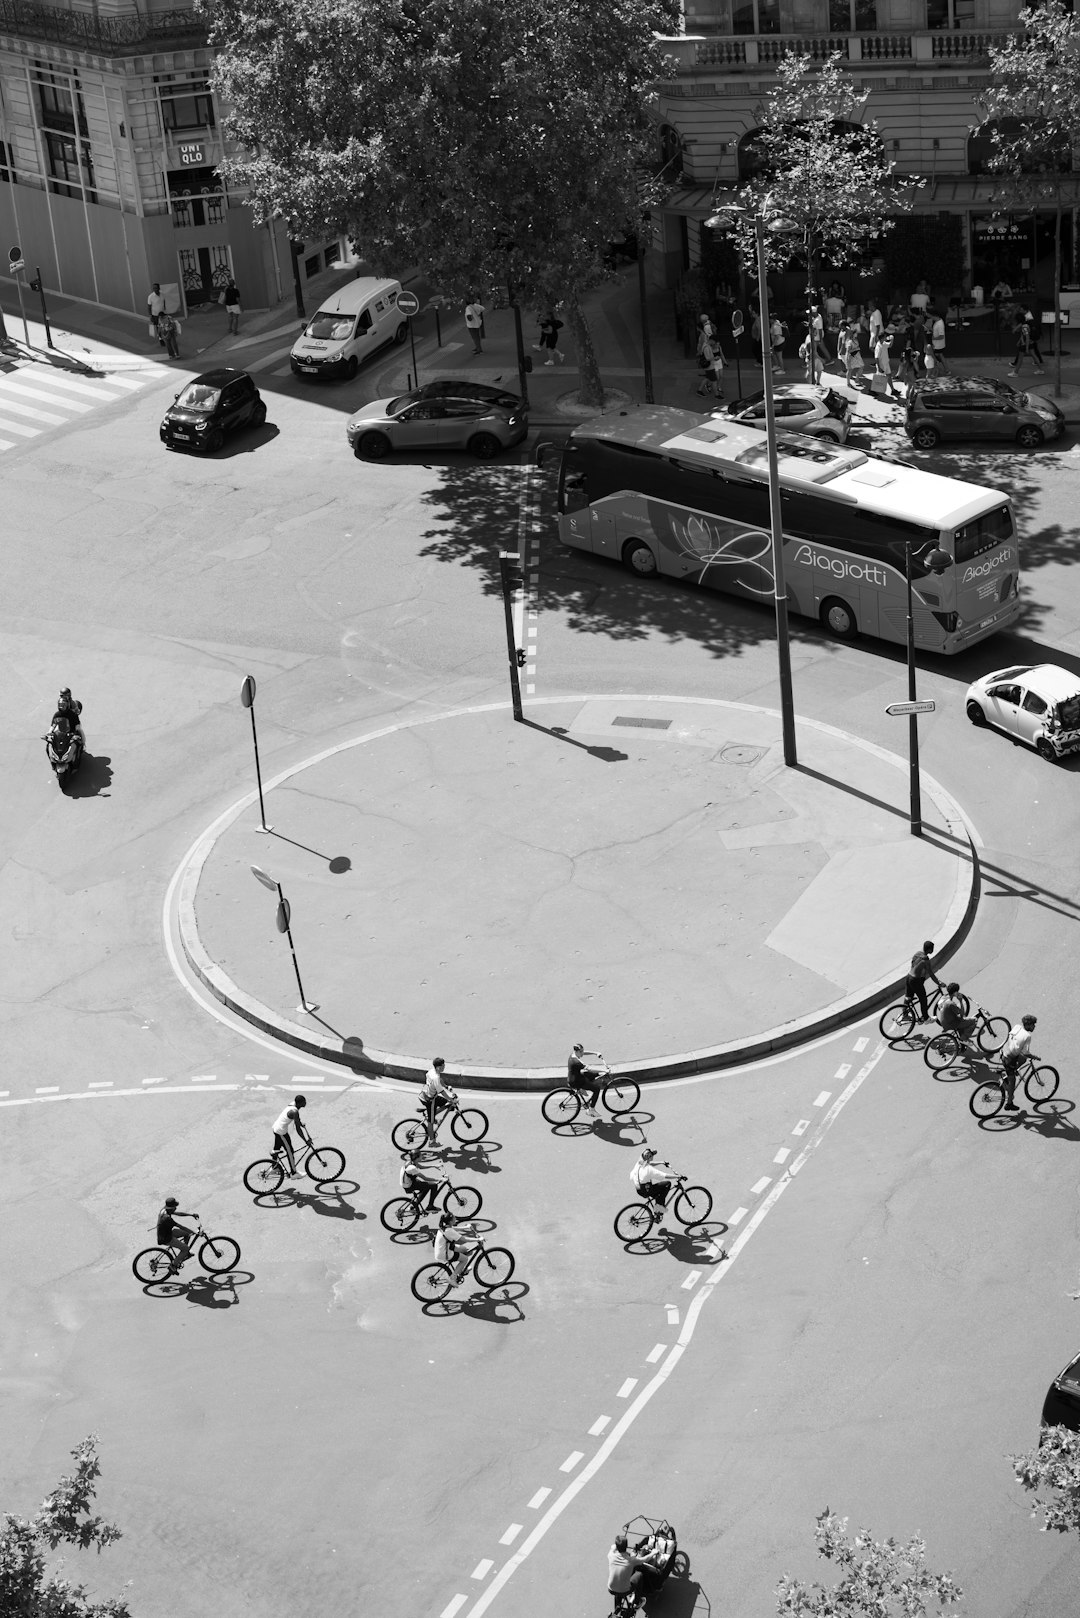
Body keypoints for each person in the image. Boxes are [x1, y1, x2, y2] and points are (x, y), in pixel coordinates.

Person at [998, 1014, 1036, 1111]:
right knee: (1012, 1082)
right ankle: (1009, 1103)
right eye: (1033, 1025)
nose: (1034, 1027)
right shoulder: (1028, 1036)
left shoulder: (1017, 1027)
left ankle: (1012, 1071)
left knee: (1022, 1058)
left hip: (1003, 1052)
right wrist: (1035, 1057)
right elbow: (1026, 1053)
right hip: (1008, 1059)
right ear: (1028, 1025)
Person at [433, 1210, 479, 1282]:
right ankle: (452, 1278)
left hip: (444, 1249)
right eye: (454, 1217)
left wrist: (465, 1227)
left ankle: (460, 1269)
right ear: (451, 1221)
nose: (455, 1217)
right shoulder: (449, 1231)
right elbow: (464, 1239)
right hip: (445, 1253)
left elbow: (454, 1229)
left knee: (466, 1250)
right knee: (465, 1259)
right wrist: (478, 1239)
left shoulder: (445, 1227)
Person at [272, 1096, 311, 1176]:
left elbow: (296, 1119)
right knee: (290, 1151)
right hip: (281, 1132)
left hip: (276, 1128)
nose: (305, 1103)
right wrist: (306, 1140)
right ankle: (294, 1173)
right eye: (304, 1102)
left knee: (277, 1148)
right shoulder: (294, 1111)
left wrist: (300, 1123)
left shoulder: (292, 1105)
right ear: (299, 1103)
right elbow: (298, 1129)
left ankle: (274, 1167)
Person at [906, 940, 942, 1024]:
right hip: (915, 980)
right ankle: (926, 1018)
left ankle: (904, 1015)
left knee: (908, 996)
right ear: (929, 950)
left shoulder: (917, 953)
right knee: (923, 999)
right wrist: (939, 983)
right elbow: (931, 974)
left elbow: (913, 965)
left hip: (908, 977)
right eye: (932, 948)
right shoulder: (926, 959)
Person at [607, 1533, 649, 1604]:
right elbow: (644, 1559)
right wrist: (653, 1553)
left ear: (617, 1547)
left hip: (611, 1588)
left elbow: (612, 1547)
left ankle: (617, 1608)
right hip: (625, 1590)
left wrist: (615, 1547)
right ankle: (637, 1601)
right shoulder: (631, 1560)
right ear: (626, 1546)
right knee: (639, 1575)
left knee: (618, 1585)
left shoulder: (611, 1555)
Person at [631, 1147, 676, 1211]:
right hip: (645, 1190)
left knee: (658, 1194)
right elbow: (664, 1175)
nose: (653, 1156)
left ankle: (657, 1212)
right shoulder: (649, 1170)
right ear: (649, 1157)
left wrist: (662, 1162)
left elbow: (649, 1163)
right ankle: (659, 1208)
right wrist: (678, 1176)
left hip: (639, 1189)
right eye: (652, 1155)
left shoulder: (640, 1162)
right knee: (667, 1184)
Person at [156, 1197, 197, 1267]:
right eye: (175, 1207)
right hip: (166, 1238)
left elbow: (179, 1214)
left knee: (186, 1234)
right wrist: (194, 1232)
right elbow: (181, 1227)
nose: (176, 1208)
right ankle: (173, 1266)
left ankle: (185, 1254)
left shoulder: (164, 1210)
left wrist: (191, 1215)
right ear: (171, 1207)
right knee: (186, 1249)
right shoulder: (167, 1218)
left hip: (166, 1233)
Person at [568, 1043, 605, 1117]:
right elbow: (589, 1068)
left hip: (573, 1077)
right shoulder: (577, 1062)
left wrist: (595, 1053)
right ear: (577, 1051)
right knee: (596, 1089)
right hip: (576, 1081)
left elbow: (584, 1052)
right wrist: (604, 1070)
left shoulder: (573, 1054)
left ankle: (588, 1101)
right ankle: (591, 1110)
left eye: (582, 1051)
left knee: (591, 1075)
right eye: (581, 1052)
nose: (582, 1053)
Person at [421, 1057, 456, 1135]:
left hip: (426, 1094)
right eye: (443, 1066)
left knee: (447, 1104)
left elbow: (440, 1080)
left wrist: (446, 1086)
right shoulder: (435, 1078)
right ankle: (432, 1141)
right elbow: (442, 1092)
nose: (444, 1067)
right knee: (431, 1121)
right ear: (438, 1067)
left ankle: (431, 1115)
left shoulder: (432, 1071)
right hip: (430, 1100)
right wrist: (451, 1099)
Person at [400, 1149, 442, 1214]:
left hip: (407, 1182)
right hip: (409, 1185)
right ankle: (430, 1207)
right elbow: (425, 1178)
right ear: (417, 1157)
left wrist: (433, 1166)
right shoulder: (412, 1168)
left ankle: (414, 1206)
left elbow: (421, 1167)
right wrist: (439, 1180)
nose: (422, 1156)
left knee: (426, 1186)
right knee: (434, 1185)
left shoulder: (410, 1162)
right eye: (421, 1155)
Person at [937, 982, 974, 1047]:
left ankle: (961, 1039)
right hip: (950, 1023)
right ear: (955, 992)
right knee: (974, 1020)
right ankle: (963, 1039)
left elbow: (940, 1007)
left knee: (959, 1019)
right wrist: (960, 1000)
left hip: (943, 1021)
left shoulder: (943, 997)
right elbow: (962, 1014)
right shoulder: (951, 1004)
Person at [873, 329, 899, 398]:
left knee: (889, 376)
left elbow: (890, 345)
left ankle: (893, 390)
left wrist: (892, 339)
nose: (886, 338)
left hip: (886, 363)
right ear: (882, 338)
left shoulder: (884, 344)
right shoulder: (878, 347)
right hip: (881, 365)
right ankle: (873, 391)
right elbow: (876, 358)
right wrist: (879, 367)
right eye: (885, 337)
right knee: (878, 378)